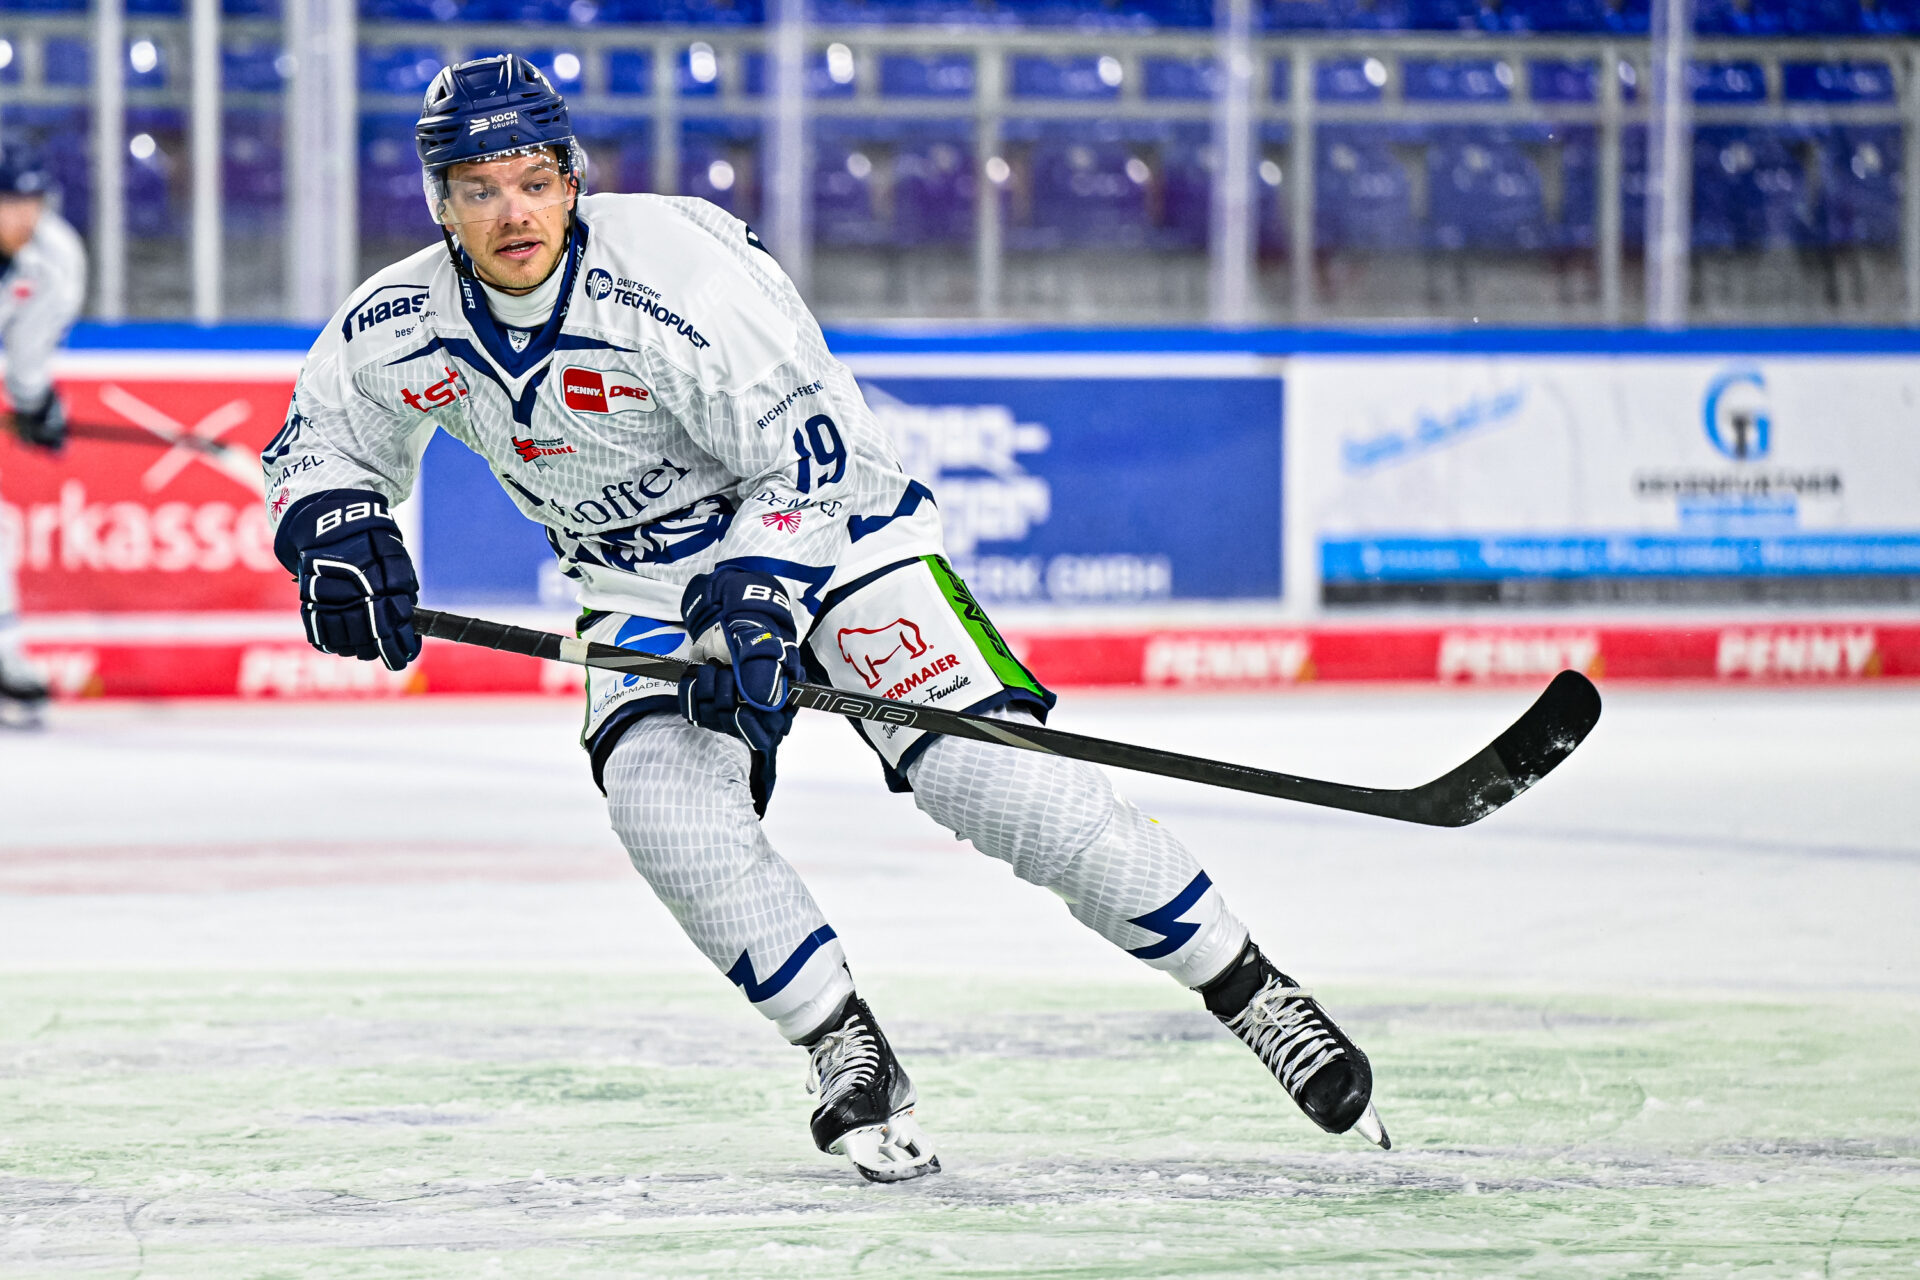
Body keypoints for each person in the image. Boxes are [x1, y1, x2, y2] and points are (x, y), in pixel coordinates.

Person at [263, 54, 1387, 1181]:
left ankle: (1253, 991)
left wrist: (759, 594)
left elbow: (815, 454)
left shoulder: (677, 272)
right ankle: (843, 1042)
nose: (512, 212)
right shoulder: (399, 320)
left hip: (838, 536)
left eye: (532, 180)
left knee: (989, 776)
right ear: (441, 204)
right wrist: (336, 530)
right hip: (642, 588)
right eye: (479, 188)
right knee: (663, 806)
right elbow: (317, 440)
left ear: (572, 179)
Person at [0, 144, 87, 728]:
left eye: (33, 201)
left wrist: (34, 402)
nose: (25, 216)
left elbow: (29, 347)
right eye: (11, 202)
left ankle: (4, 658)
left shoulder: (53, 255)